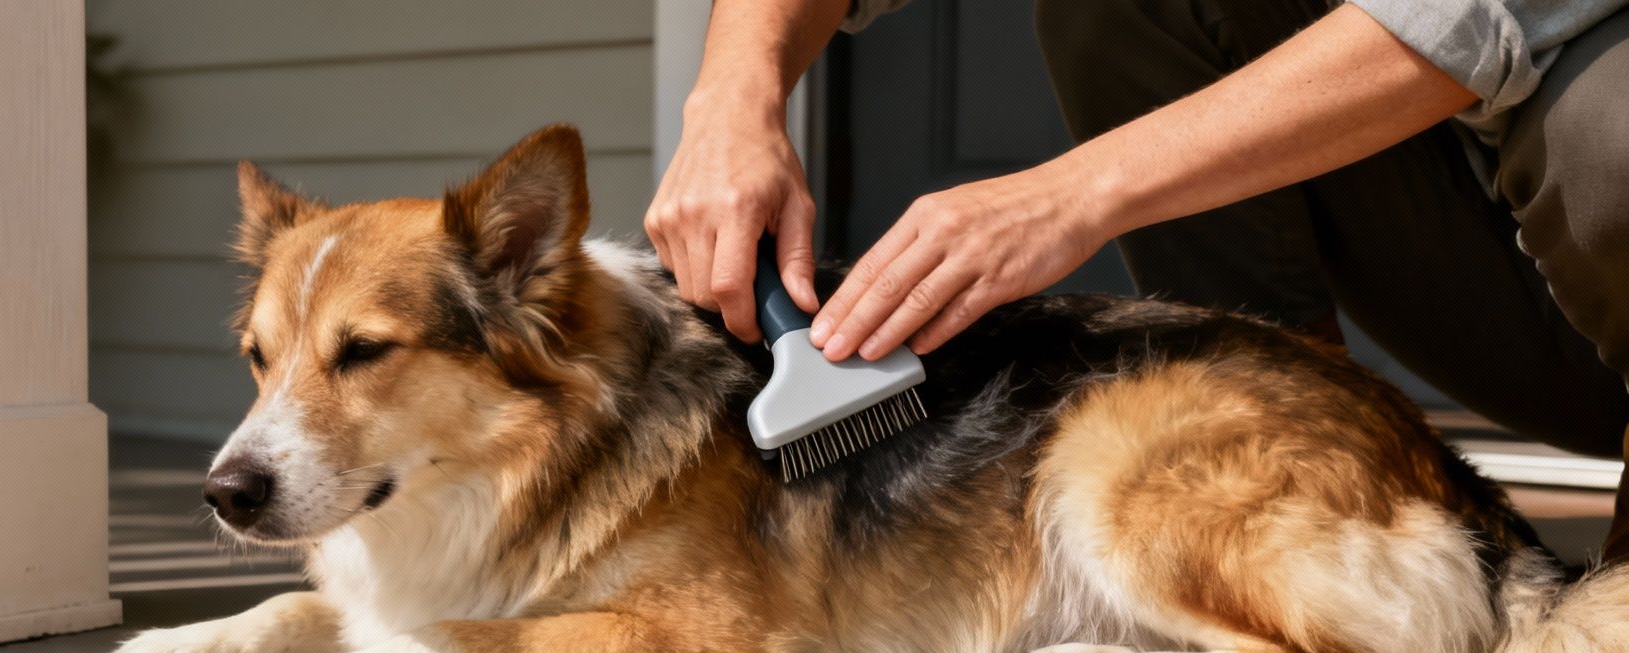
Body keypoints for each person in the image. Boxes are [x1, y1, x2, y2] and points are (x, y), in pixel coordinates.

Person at [646, 0, 1629, 562]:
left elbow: (1470, 11)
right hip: (1509, 278)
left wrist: (1075, 194)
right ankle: (1288, 502)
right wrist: (731, 101)